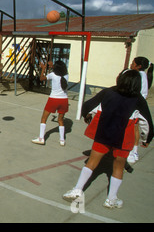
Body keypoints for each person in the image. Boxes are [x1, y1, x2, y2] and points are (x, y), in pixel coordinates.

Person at [63, 70, 153, 209]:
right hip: (124, 138)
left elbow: (88, 105)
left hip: (104, 132)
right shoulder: (138, 99)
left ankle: (77, 190)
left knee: (92, 162)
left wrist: (86, 115)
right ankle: (111, 200)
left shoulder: (109, 92)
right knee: (118, 167)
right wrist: (145, 139)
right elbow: (146, 122)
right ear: (137, 84)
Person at [32, 60, 69, 146]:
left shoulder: (52, 75)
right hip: (64, 100)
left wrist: (43, 68)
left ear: (55, 68)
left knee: (44, 119)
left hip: (53, 99)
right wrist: (53, 66)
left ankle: (41, 138)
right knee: (60, 120)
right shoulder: (66, 75)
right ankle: (62, 140)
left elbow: (41, 78)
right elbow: (60, 71)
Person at [126, 57, 153, 164]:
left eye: (133, 63)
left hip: (135, 105)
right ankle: (134, 151)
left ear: (139, 66)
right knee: (135, 128)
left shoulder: (138, 76)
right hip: (137, 104)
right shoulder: (143, 75)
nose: (131, 64)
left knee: (133, 128)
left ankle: (132, 152)